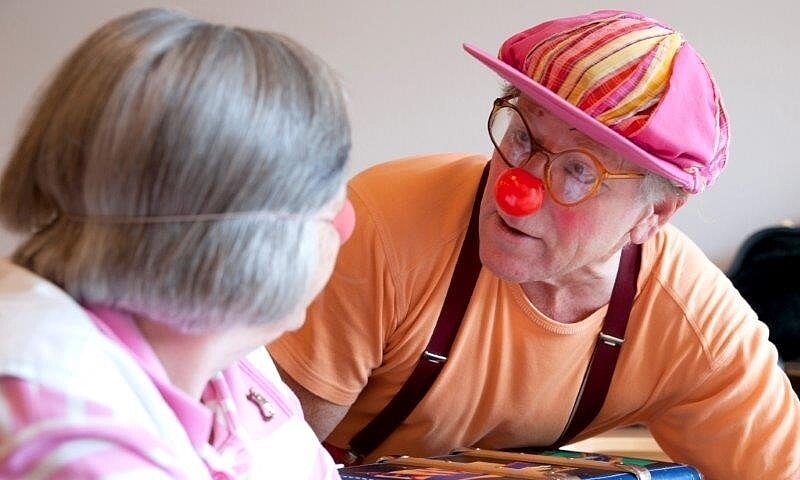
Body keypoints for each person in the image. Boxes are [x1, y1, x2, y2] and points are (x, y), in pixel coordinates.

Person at [268, 9, 800, 479]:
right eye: (522, 136)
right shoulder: (382, 225)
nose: (515, 189)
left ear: (654, 213)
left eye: (577, 171)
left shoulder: (693, 322)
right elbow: (258, 458)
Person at [0, 8, 354, 479]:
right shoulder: (62, 433)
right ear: (244, 245)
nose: (343, 229)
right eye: (329, 208)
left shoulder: (224, 350)